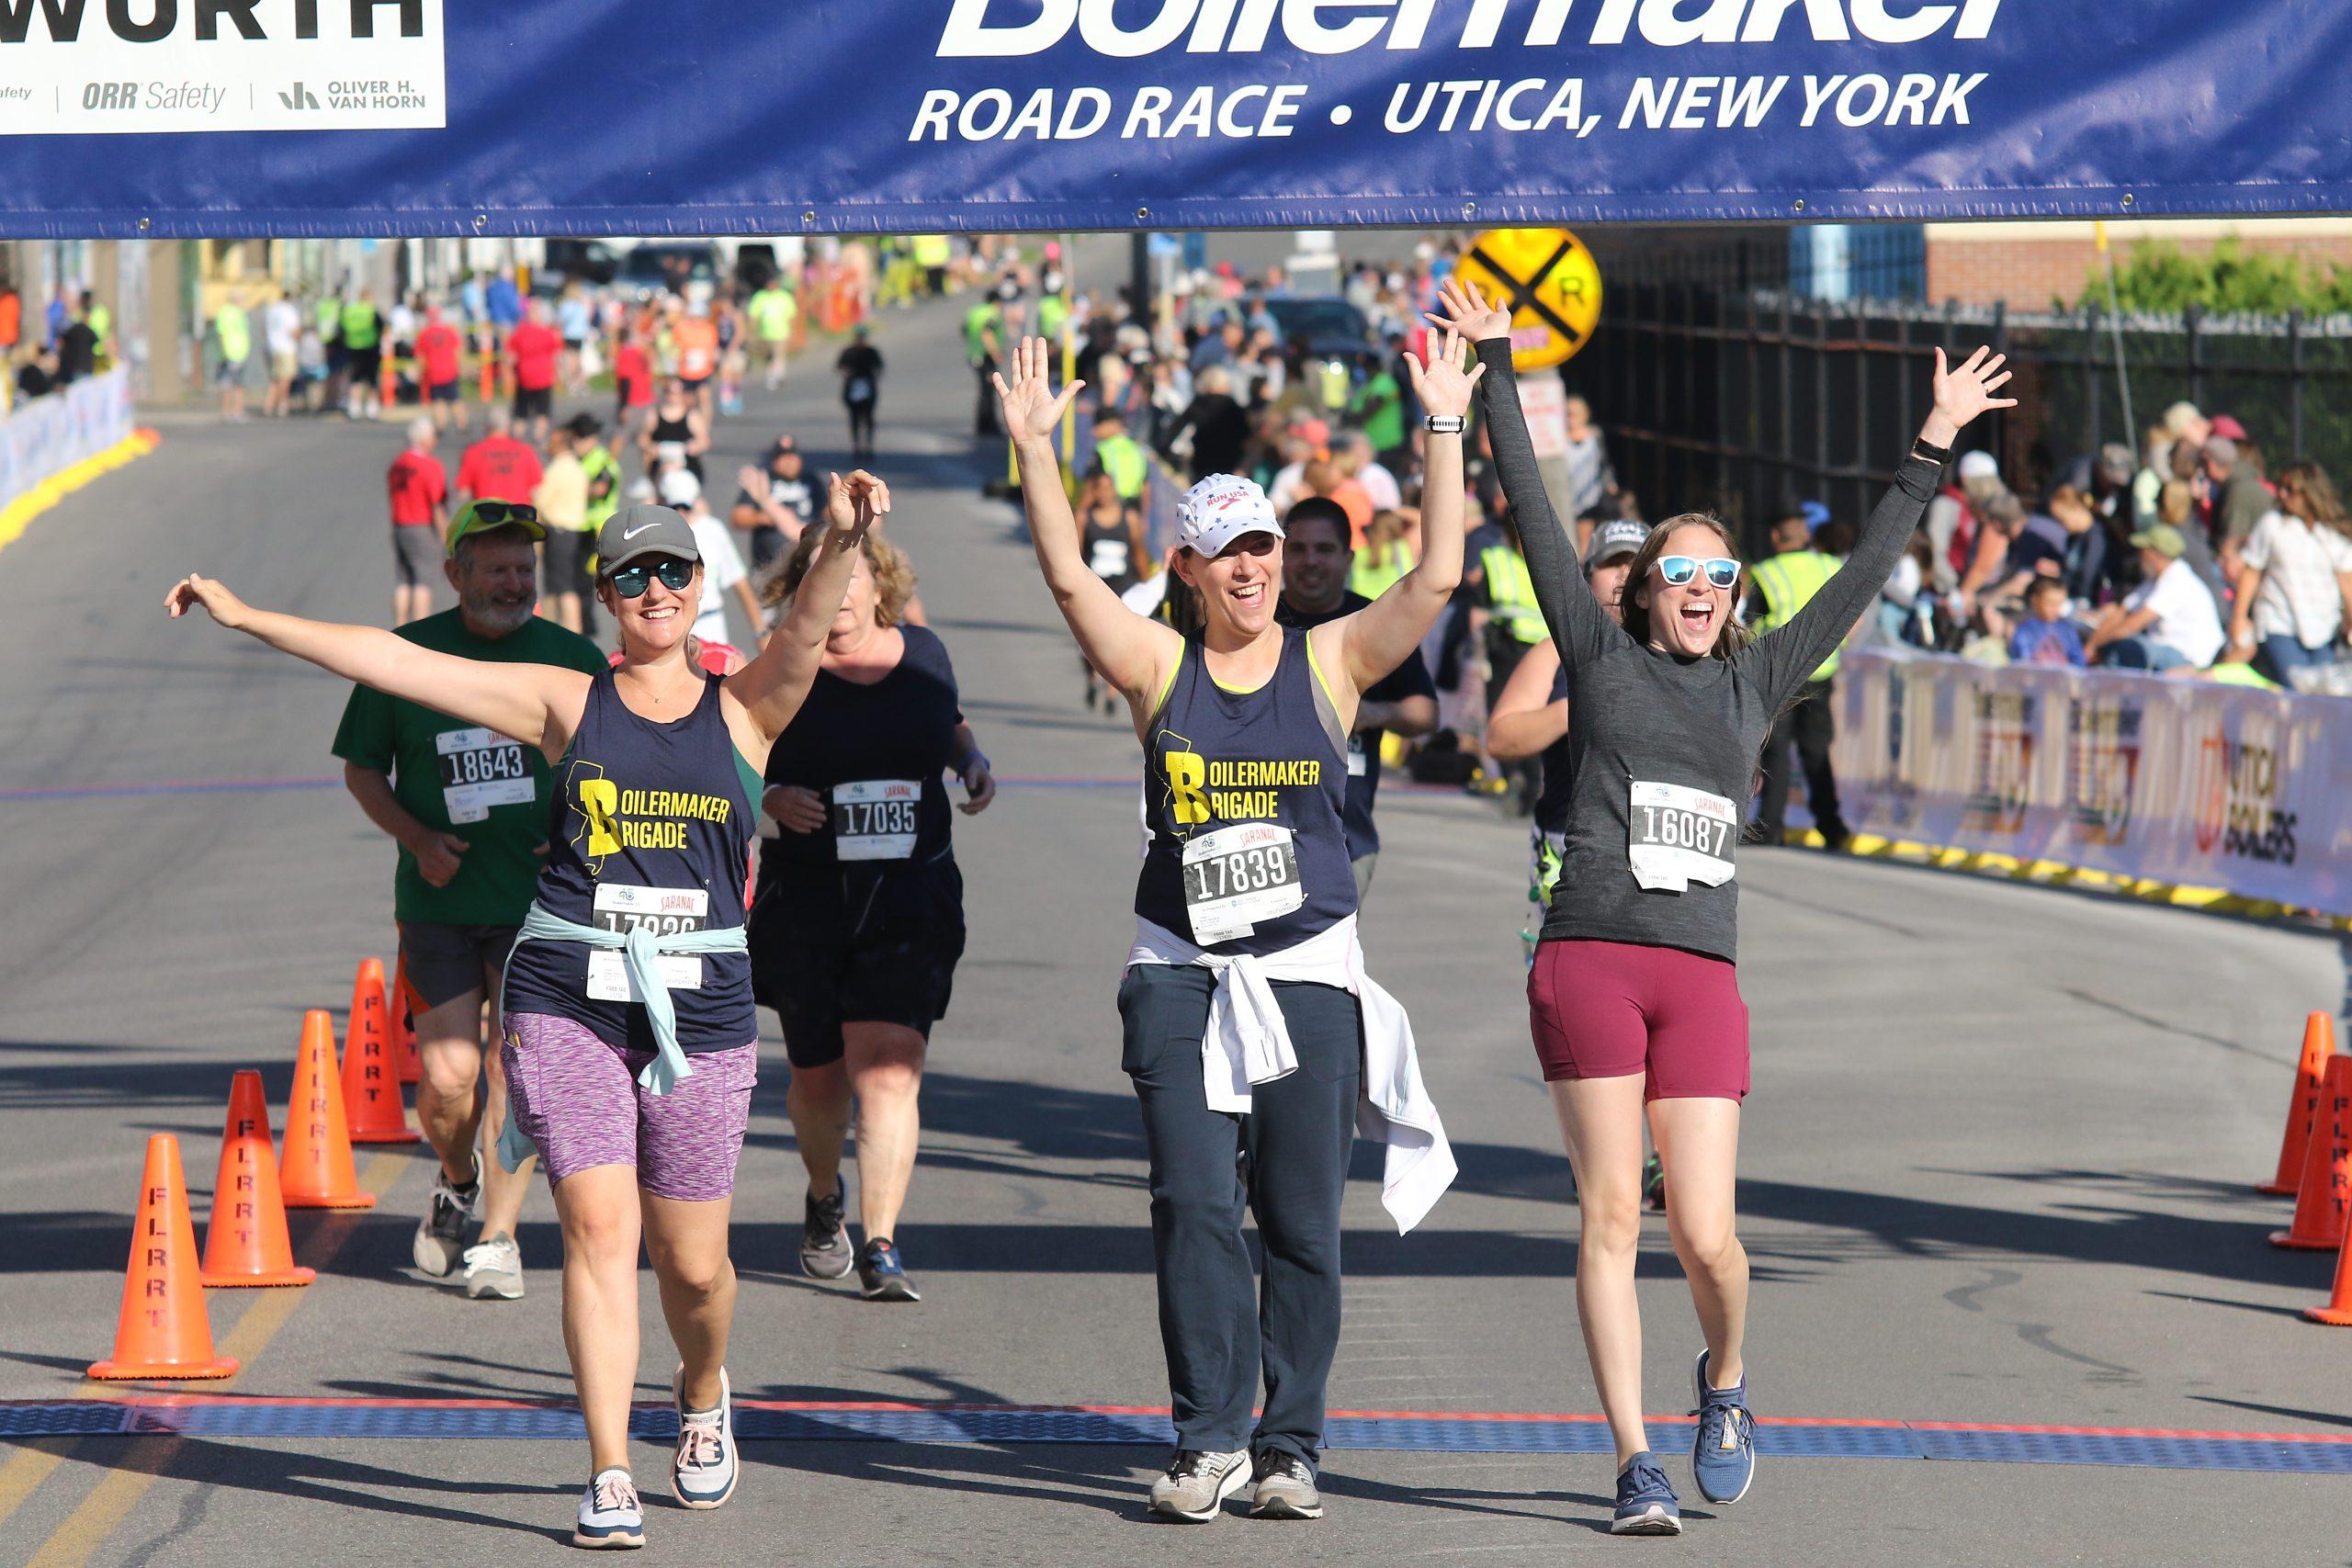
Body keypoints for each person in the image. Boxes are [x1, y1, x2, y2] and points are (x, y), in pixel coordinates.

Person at [169, 471, 888, 1550]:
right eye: (633, 573)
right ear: (604, 593)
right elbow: (398, 660)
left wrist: (836, 535)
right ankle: (606, 1474)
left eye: (674, 571)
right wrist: (249, 615)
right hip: (567, 994)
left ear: (698, 589)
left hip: (699, 1003)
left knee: (692, 1265)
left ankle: (701, 1391)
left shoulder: (747, 709)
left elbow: (805, 624)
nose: (655, 588)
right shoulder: (568, 700)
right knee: (599, 1229)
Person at [1460, 268, 2013, 1536]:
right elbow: (1540, 516)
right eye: (1679, 574)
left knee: (1708, 1236)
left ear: (1736, 596)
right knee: (1608, 1212)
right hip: (1590, 955)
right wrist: (1496, 371)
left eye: (1718, 574)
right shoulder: (1598, 657)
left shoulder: (1759, 679)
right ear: (1645, 591)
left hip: (1698, 977)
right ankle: (1632, 1455)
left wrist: (1930, 446)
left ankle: (1726, 1379)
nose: (1700, 590)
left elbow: (1866, 571)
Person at [996, 333, 1462, 1525]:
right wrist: (1038, 449)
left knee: (1301, 1219)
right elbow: (1065, 580)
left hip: (1306, 971)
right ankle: (1207, 1435)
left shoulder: (1333, 661)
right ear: (1190, 567)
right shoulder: (1159, 666)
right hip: (1181, 972)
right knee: (1195, 1202)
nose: (1253, 566)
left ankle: (1289, 1443)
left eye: (1262, 545)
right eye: (1227, 551)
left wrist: (1446, 427)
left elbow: (1436, 581)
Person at [333, 503, 608, 1300]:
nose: (515, 583)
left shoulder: (571, 657)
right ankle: (457, 1178)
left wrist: (577, 837)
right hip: (439, 901)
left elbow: (616, 769)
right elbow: (361, 768)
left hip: (544, 905)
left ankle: (498, 1237)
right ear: (455, 574)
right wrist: (417, 837)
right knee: (452, 1079)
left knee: (514, 1071)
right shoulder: (407, 657)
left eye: (525, 569)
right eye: (496, 569)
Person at [750, 527, 994, 1302]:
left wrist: (971, 759)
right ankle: (826, 1196)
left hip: (908, 893)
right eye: (826, 582)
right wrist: (766, 798)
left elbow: (943, 719)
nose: (842, 601)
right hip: (808, 897)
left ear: (879, 585)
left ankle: (882, 1243)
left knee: (889, 1068)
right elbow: (724, 751)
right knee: (818, 1084)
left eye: (854, 582)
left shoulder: (922, 652)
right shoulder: (780, 663)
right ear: (804, 589)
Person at [1487, 517, 1647, 964]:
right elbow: (1501, 737)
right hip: (1566, 848)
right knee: (1560, 991)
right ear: (1587, 574)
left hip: (1649, 852)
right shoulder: (1555, 652)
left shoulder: (1674, 656)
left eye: (1636, 565)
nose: (1623, 576)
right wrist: (1578, 705)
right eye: (1612, 563)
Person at [1274, 497, 1437, 896]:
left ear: (1348, 558)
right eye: (1298, 549)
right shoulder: (1258, 622)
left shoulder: (1374, 624)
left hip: (1348, 843)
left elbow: (1426, 714)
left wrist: (1371, 713)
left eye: (1324, 550)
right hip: (1261, 841)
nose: (1310, 560)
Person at [1744, 502, 1851, 851]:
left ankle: (1771, 828)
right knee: (1816, 752)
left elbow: (1750, 624)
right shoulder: (1829, 565)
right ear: (1806, 535)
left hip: (1782, 675)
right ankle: (1832, 827)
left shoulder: (1767, 572)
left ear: (1776, 537)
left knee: (1775, 753)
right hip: (1822, 671)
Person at [2223, 460, 2352, 686]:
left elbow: (2345, 580)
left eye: (2289, 490)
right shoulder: (2272, 525)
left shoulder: (2331, 533)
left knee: (2320, 694)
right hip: (2279, 623)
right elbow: (2251, 572)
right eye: (2280, 487)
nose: (2282, 494)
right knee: (2295, 687)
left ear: (2309, 493)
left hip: (2324, 628)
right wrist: (2240, 617)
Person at [2085, 524, 2226, 671]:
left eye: (2144, 550)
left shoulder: (2178, 580)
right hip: (2164, 651)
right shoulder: (2155, 579)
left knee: (2128, 646)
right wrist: (2091, 646)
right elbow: (2121, 614)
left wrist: (2098, 645)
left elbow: (2132, 625)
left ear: (2157, 554)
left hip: (2189, 660)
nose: (2139, 555)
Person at [659, 468, 760, 651]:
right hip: (671, 627)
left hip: (711, 627)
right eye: (675, 507)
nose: (681, 513)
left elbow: (739, 581)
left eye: (685, 506)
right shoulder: (655, 536)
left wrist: (760, 631)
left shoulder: (713, 530)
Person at [1075, 468, 1148, 711]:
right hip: (1094, 589)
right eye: (1099, 488)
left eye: (1108, 488)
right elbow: (1074, 552)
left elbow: (1138, 551)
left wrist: (1146, 583)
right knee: (1087, 643)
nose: (1104, 493)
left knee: (1119, 642)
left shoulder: (1129, 518)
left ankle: (1112, 692)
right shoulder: (1085, 518)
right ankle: (1091, 678)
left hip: (1124, 588)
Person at [387, 417, 451, 626]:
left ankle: (399, 624)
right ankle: (419, 629)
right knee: (423, 579)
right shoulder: (429, 466)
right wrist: (446, 536)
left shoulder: (397, 464)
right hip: (421, 526)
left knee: (404, 579)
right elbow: (437, 505)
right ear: (424, 439)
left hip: (400, 525)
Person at [537, 423, 594, 635]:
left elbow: (540, 500)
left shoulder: (557, 469)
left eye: (551, 442)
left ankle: (570, 631)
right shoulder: (577, 467)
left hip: (559, 532)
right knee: (567, 584)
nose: (547, 446)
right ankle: (572, 629)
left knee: (563, 587)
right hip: (575, 531)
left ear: (560, 445)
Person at [731, 435, 818, 571]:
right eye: (783, 457)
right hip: (769, 565)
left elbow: (799, 530)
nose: (788, 462)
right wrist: (761, 517)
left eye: (792, 456)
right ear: (774, 461)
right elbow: (738, 517)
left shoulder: (811, 481)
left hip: (806, 560)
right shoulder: (763, 481)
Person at [455, 404, 545, 510]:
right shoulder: (526, 451)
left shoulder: (472, 452)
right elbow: (536, 490)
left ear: (486, 426)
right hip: (519, 517)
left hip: (487, 517)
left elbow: (463, 492)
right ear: (508, 426)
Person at [509, 300, 564, 445]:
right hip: (543, 377)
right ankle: (538, 438)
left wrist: (512, 371)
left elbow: (511, 356)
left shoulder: (519, 332)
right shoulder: (548, 333)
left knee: (521, 413)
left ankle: (516, 440)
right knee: (542, 412)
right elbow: (557, 355)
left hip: (524, 377)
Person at [642, 378, 709, 483]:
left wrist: (695, 446)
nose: (672, 396)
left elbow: (704, 441)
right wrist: (650, 447)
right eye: (669, 392)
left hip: (686, 467)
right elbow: (643, 438)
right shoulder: (654, 415)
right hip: (660, 466)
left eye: (676, 393)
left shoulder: (692, 416)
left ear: (683, 394)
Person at [2007, 577, 2086, 666]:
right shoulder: (2025, 630)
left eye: (2059, 604)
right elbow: (2023, 662)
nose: (2055, 609)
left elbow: (2079, 663)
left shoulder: (2068, 630)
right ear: (2035, 600)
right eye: (2050, 603)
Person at [837, 324, 883, 461]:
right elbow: (840, 366)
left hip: (867, 387)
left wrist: (873, 378)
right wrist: (847, 373)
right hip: (853, 387)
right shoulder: (848, 351)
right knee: (855, 418)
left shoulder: (871, 351)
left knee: (868, 418)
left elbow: (879, 367)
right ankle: (857, 446)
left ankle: (869, 446)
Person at [341, 289, 384, 421]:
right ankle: (372, 410)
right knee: (372, 380)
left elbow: (342, 328)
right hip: (370, 348)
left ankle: (354, 408)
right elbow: (381, 326)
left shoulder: (350, 311)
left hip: (353, 348)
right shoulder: (371, 311)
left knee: (355, 380)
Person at [749, 278, 797, 389]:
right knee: (768, 357)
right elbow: (753, 315)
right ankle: (772, 375)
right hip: (765, 333)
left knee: (779, 355)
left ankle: (778, 375)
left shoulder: (784, 296)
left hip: (781, 332)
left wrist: (792, 331)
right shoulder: (760, 297)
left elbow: (792, 314)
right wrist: (752, 332)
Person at [264, 292, 303, 420]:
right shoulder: (289, 311)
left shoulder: (272, 310)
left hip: (272, 347)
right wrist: (300, 341)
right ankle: (282, 405)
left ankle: (269, 405)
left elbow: (264, 328)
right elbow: (293, 331)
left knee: (275, 378)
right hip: (286, 348)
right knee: (286, 378)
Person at [213, 298, 252, 422]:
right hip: (230, 354)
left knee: (237, 384)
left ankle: (237, 411)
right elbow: (221, 333)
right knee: (229, 384)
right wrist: (225, 352)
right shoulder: (226, 313)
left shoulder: (239, 314)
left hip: (239, 354)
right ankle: (228, 412)